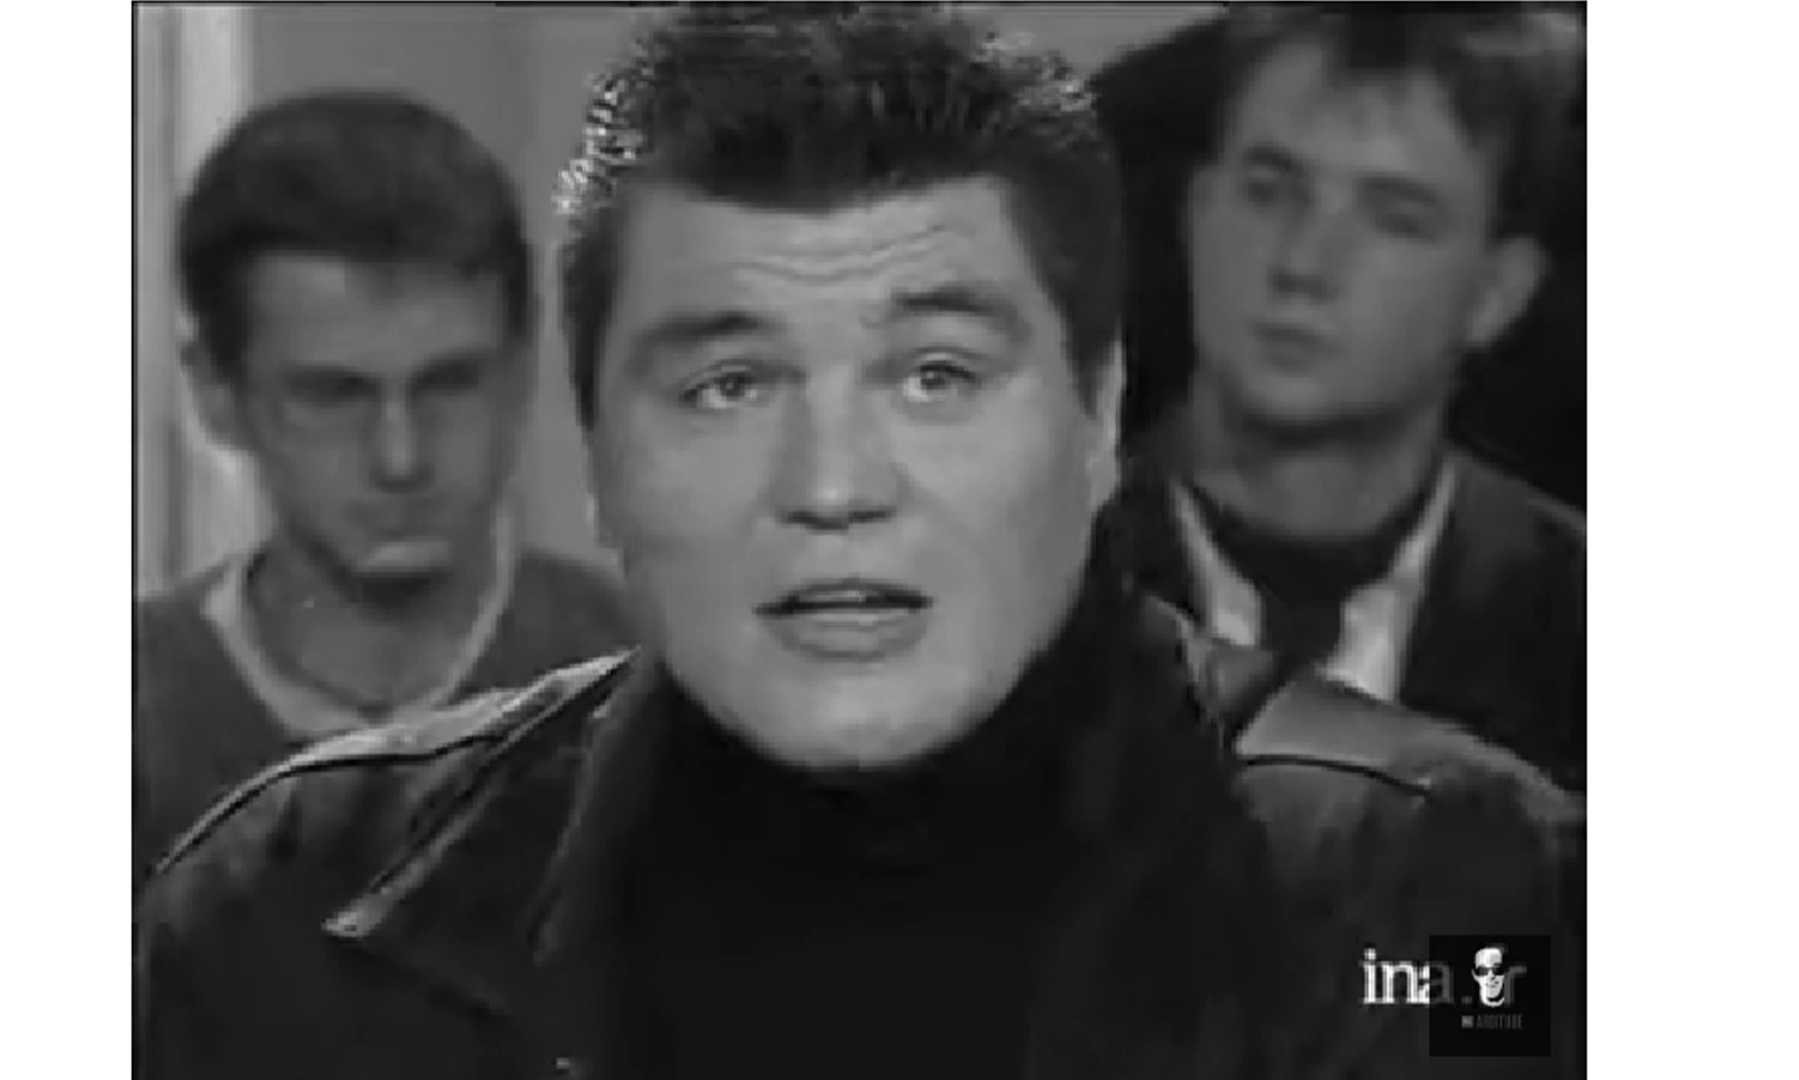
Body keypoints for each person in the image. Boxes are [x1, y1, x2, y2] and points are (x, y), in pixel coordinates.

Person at [135, 7, 1582, 1078]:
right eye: (729, 384)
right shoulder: (288, 908)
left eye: (936, 377)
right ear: (597, 452)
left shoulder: (1442, 891)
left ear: (1095, 420)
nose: (832, 485)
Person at [133, 90, 632, 886]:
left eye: (449, 384)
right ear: (217, 393)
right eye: (333, 396)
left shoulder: (655, 689)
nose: (400, 457)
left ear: (521, 368)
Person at [1094, 5, 1588, 791]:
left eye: (1394, 217)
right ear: (1198, 213)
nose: (1304, 263)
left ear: (1498, 291)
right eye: (1269, 191)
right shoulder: (1016, 584)